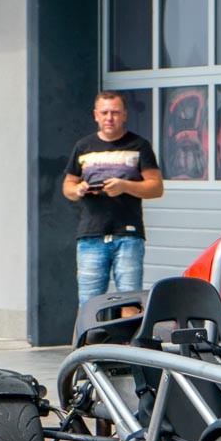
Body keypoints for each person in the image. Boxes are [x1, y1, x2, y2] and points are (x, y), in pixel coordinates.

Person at [63, 91, 163, 306]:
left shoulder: (139, 145)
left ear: (124, 115)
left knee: (129, 300)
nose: (109, 118)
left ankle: (128, 331)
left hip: (128, 234)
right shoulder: (83, 146)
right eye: (104, 113)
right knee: (88, 302)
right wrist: (79, 189)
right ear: (95, 115)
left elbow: (156, 187)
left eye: (115, 113)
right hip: (90, 234)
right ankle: (89, 331)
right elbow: (67, 186)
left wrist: (124, 186)